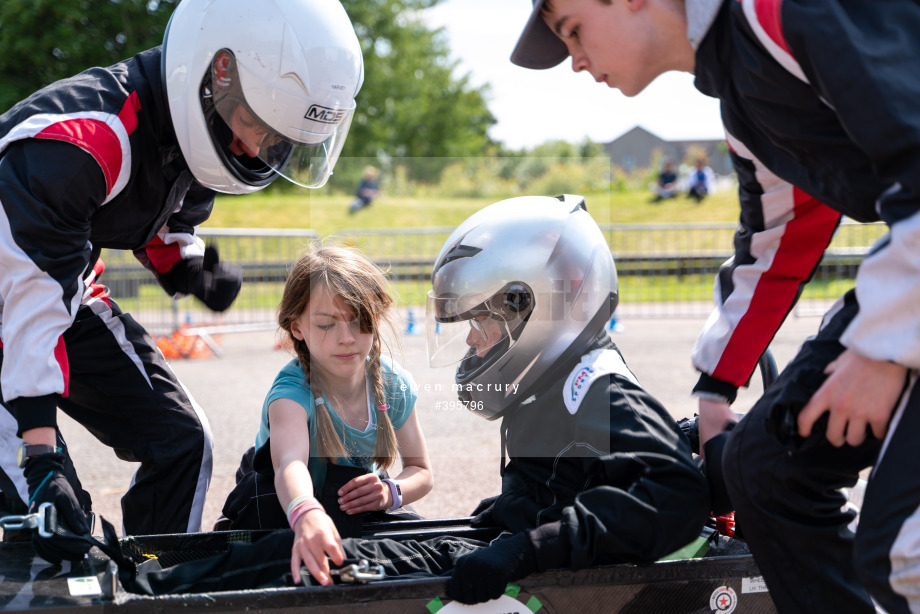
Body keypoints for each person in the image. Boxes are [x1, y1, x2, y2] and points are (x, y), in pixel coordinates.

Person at [510, 1, 920, 613]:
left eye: (573, 30)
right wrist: (714, 391)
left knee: (902, 551)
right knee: (766, 471)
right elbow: (779, 240)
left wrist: (882, 350)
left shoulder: (785, 11)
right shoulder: (743, 103)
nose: (575, 62)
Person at [120, 195, 709, 605]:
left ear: (539, 305)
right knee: (335, 547)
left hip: (537, 563)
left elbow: (677, 494)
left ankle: (156, 588)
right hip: (503, 544)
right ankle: (155, 576)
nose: (473, 340)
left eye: (482, 322)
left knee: (337, 562)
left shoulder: (597, 388)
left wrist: (524, 551)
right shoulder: (552, 383)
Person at [0, 0, 364, 565]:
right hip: (21, 294)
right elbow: (28, 305)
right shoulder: (76, 146)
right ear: (217, 73)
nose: (258, 149)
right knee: (48, 529)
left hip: (58, 289)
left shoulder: (193, 134)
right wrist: (41, 455)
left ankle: (154, 580)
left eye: (278, 141)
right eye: (258, 126)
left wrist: (189, 268)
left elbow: (161, 212)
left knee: (181, 442)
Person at [218, 245, 433, 580]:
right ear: (298, 327)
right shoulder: (290, 392)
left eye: (358, 320)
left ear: (376, 316)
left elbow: (421, 470)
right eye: (326, 324)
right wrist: (307, 513)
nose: (346, 338)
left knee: (426, 557)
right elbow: (290, 464)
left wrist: (390, 492)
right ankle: (237, 531)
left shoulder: (394, 385)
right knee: (274, 564)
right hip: (282, 497)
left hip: (349, 503)